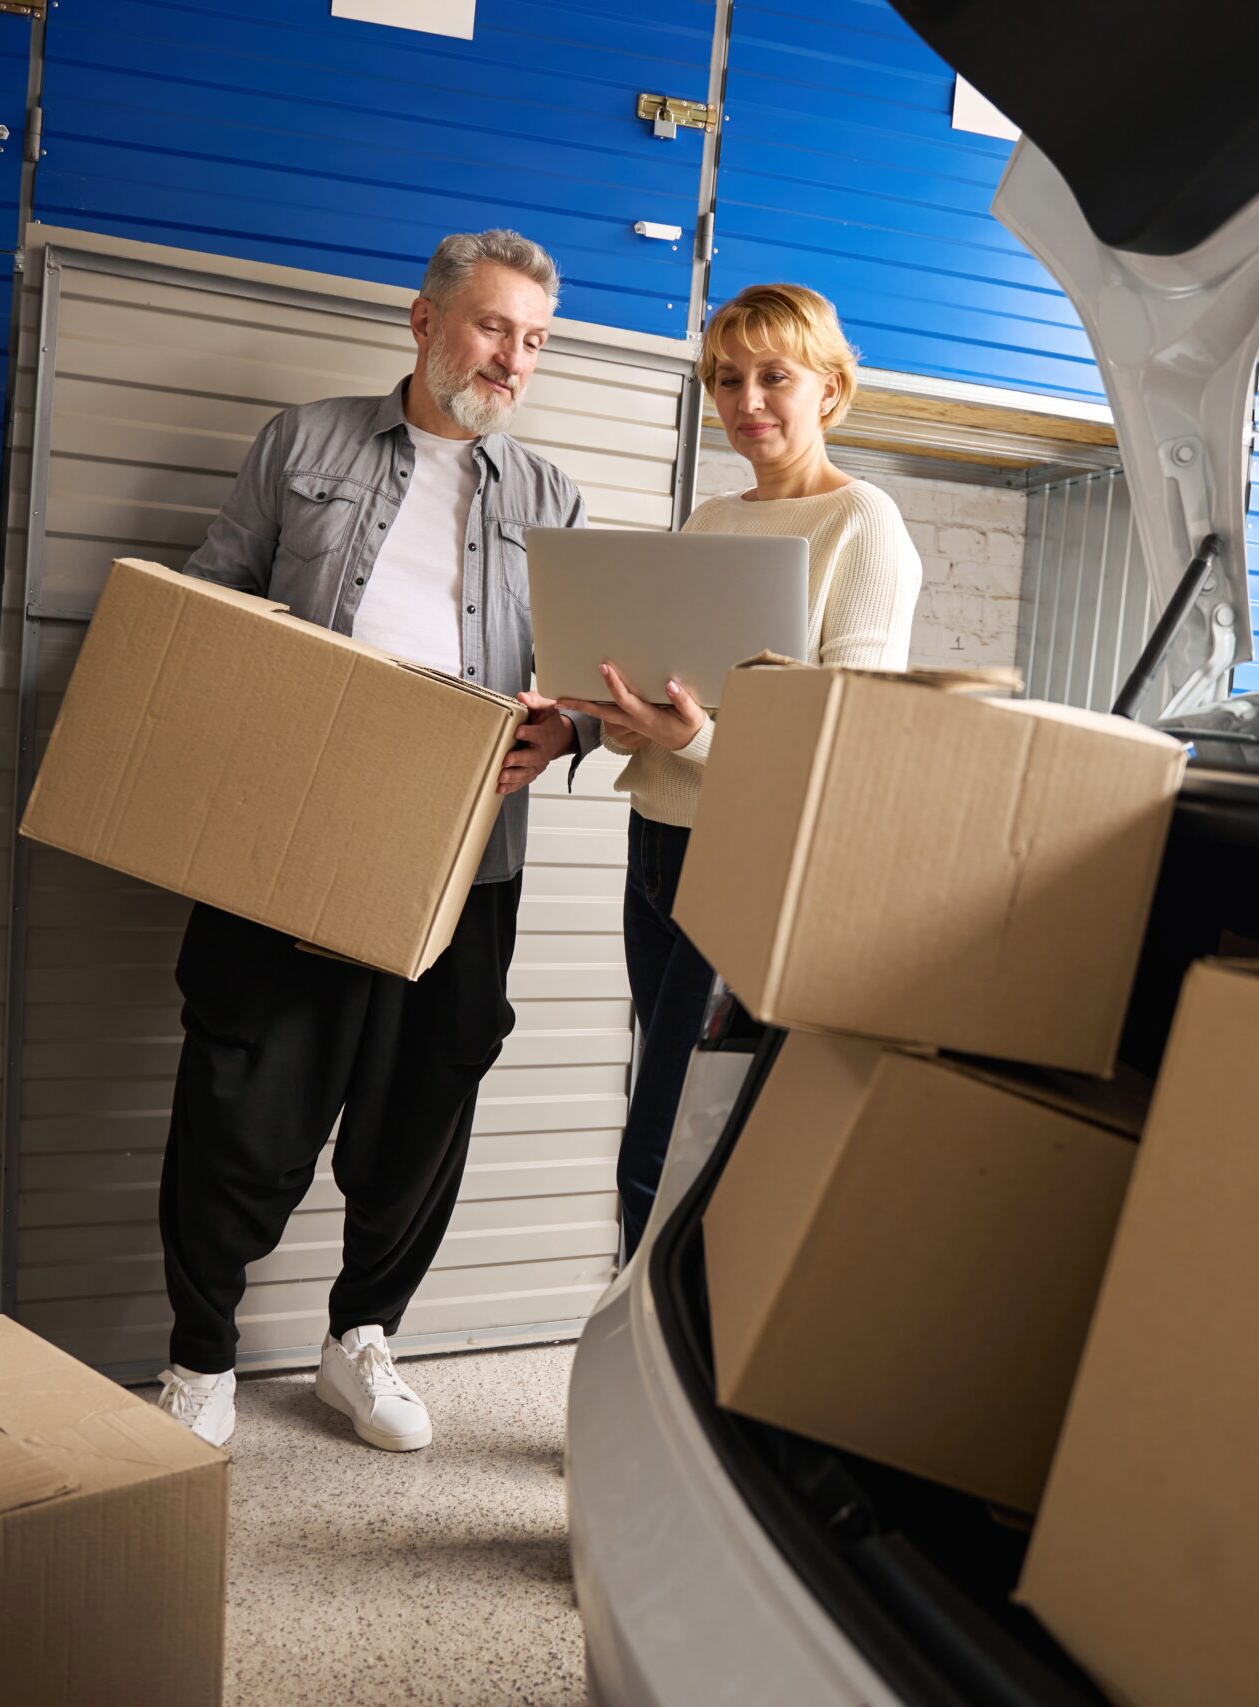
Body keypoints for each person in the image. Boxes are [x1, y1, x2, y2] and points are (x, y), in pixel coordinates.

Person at [152, 230, 596, 1452]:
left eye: (536, 341)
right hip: (288, 829)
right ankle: (200, 1357)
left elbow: (584, 685)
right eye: (496, 327)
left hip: (465, 852)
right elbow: (214, 596)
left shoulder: (551, 494)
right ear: (424, 319)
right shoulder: (305, 442)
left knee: (420, 1108)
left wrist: (566, 734)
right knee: (244, 1090)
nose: (515, 358)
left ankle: (361, 1340)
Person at [537, 284, 924, 1254]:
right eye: (725, 379)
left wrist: (692, 740)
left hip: (752, 859)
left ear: (829, 391)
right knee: (676, 1122)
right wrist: (616, 720)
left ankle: (643, 1371)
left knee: (661, 1143)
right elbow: (678, 696)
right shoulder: (710, 519)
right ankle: (657, 1356)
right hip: (657, 849)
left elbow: (845, 743)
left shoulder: (863, 523)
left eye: (773, 377)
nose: (745, 400)